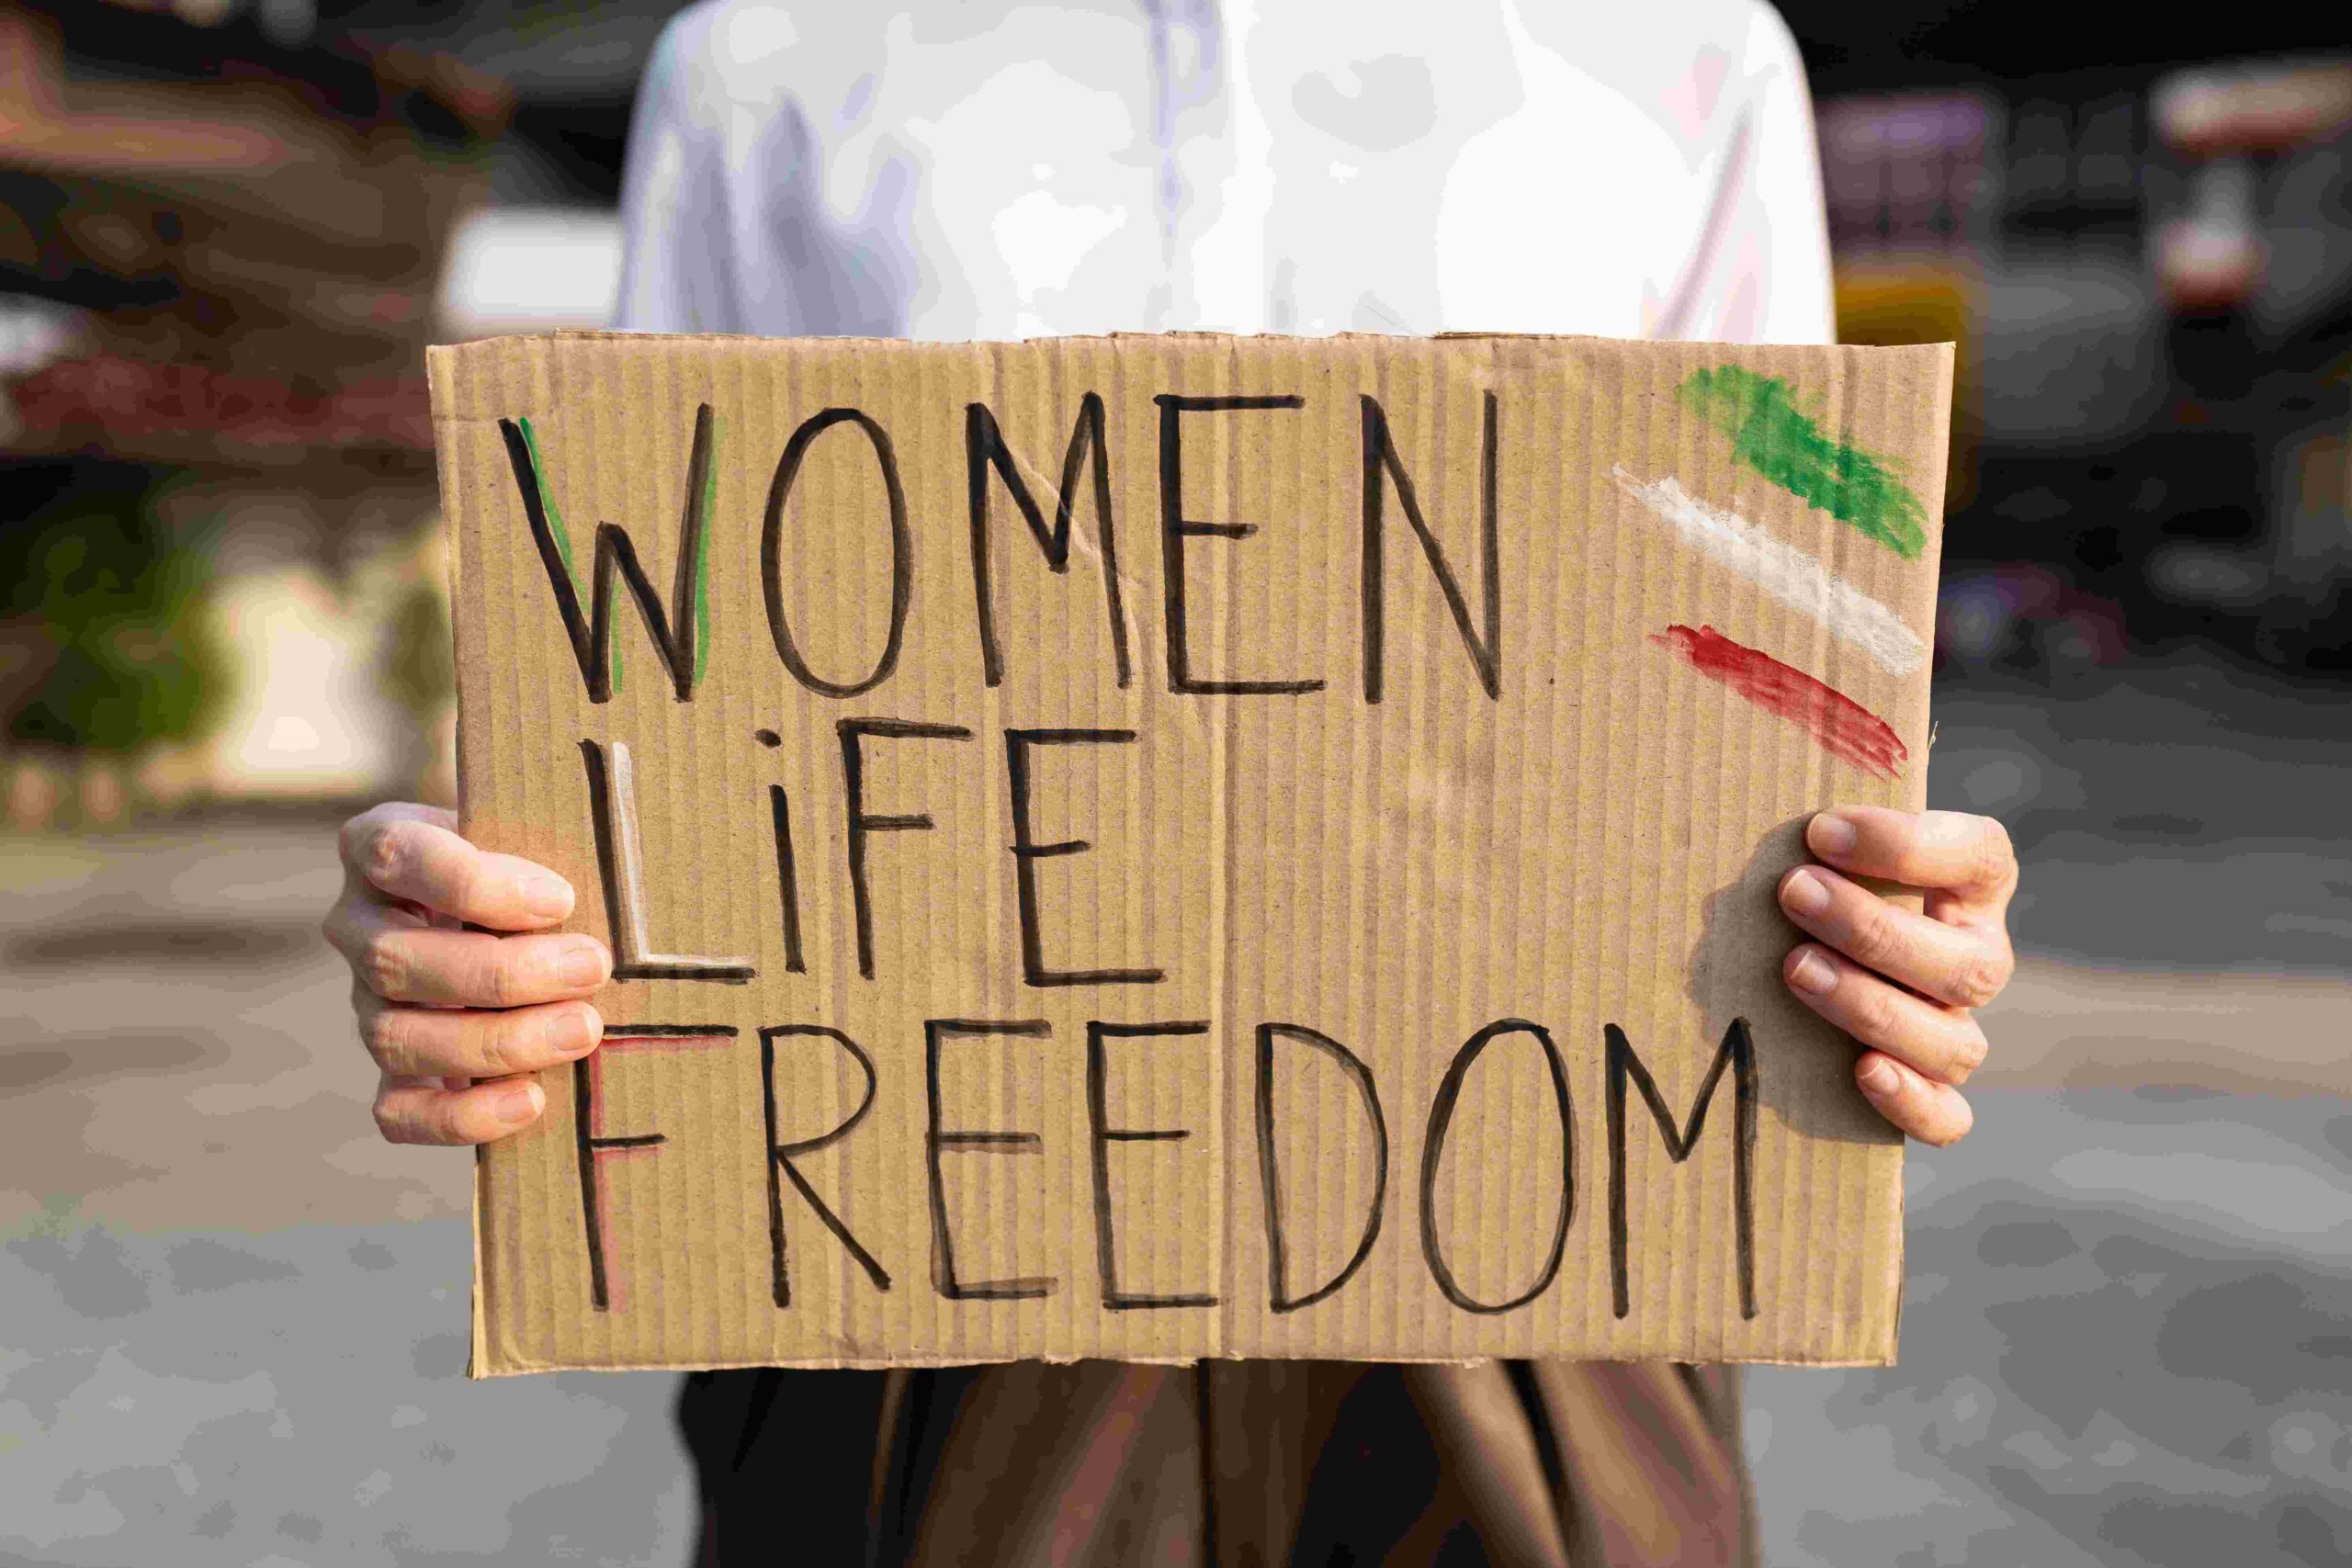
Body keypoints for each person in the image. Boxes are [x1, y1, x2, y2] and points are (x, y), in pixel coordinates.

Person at [325, 4, 2019, 1562]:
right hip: (919, 1276)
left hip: (1541, 1260)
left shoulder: (1680, 50)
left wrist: (1893, 920)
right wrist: (489, 911)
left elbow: (1782, 687)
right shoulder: (769, 58)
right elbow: (662, 682)